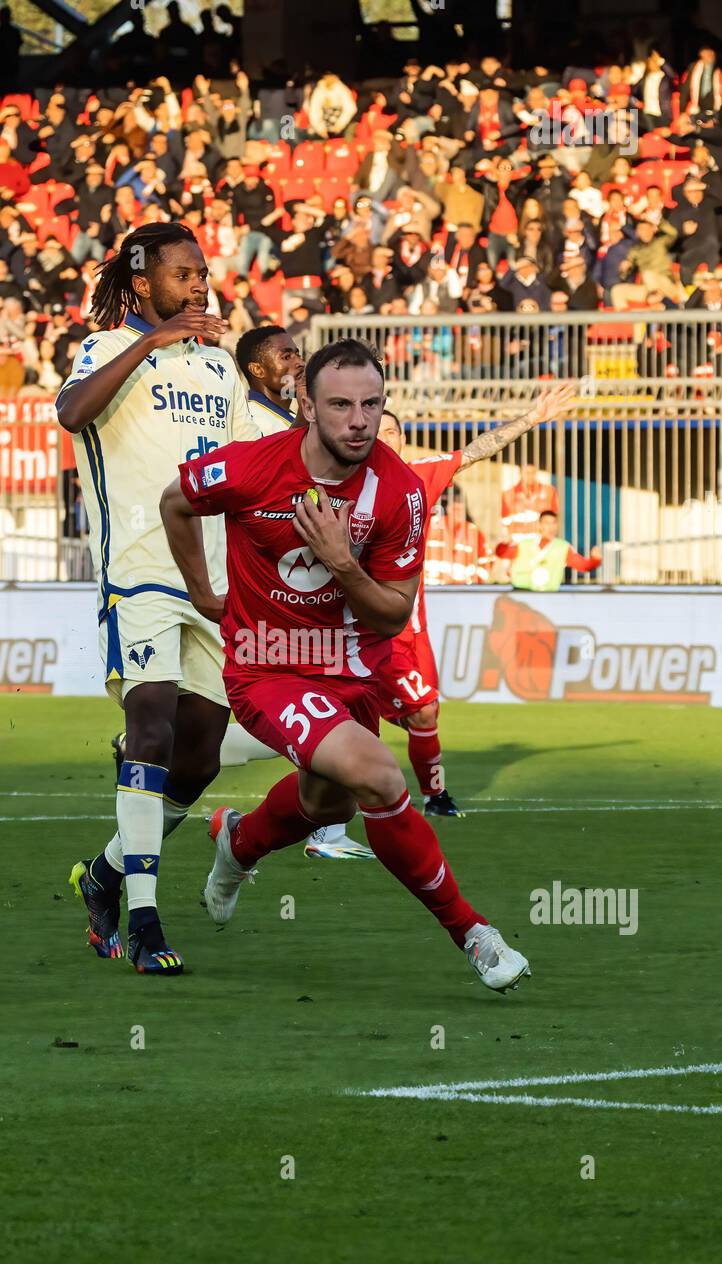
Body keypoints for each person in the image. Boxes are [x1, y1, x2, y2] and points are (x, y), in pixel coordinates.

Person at [160, 338, 531, 994]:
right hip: (266, 668)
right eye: (340, 405)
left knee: (322, 803)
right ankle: (473, 933)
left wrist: (341, 561)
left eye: (371, 404)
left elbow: (392, 616)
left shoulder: (400, 493)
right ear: (305, 405)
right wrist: (201, 593)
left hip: (357, 671)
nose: (359, 420)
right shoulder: (250, 468)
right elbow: (176, 501)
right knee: (379, 778)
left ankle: (238, 844)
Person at [56, 222, 260, 977]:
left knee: (199, 753)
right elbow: (71, 412)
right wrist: (154, 340)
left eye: (203, 273)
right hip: (136, 571)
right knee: (149, 727)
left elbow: (247, 464)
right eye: (183, 274)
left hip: (210, 583)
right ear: (144, 284)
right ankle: (143, 918)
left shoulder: (219, 370)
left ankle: (105, 874)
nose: (199, 284)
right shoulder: (107, 349)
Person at [376, 383, 574, 815]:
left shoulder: (419, 477)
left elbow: (476, 451)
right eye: (378, 430)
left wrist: (532, 418)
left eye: (392, 431)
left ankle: (431, 795)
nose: (384, 437)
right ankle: (333, 819)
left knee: (426, 715)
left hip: (411, 629)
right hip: (364, 631)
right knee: (383, 715)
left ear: (403, 441)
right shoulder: (345, 480)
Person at [234, 323, 375, 861]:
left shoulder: (299, 424)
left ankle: (307, 830)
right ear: (257, 370)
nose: (297, 360)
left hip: (307, 598)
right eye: (287, 354)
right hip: (259, 592)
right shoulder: (248, 424)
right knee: (294, 711)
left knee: (317, 733)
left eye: (300, 354)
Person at [496, 511, 601, 590]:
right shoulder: (524, 544)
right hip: (521, 595)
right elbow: (501, 553)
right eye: (547, 523)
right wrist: (504, 543)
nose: (551, 527)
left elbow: (584, 565)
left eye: (554, 523)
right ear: (539, 525)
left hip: (548, 598)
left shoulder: (563, 548)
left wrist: (595, 559)